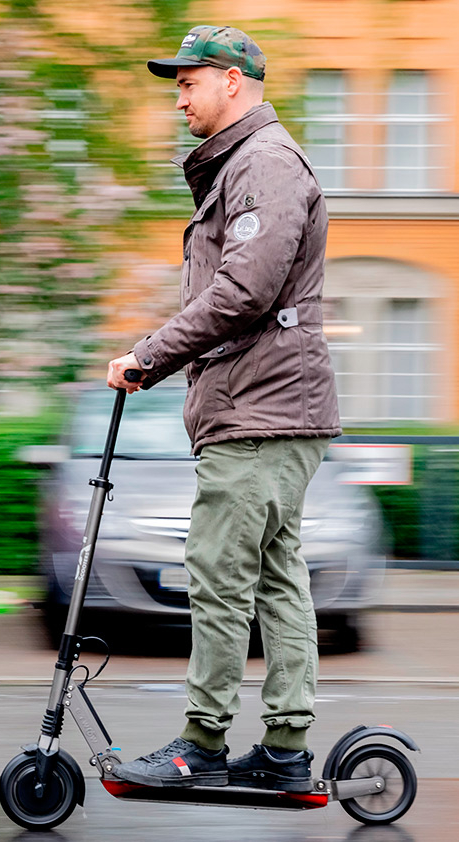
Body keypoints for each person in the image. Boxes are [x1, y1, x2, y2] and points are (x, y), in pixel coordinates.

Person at [106, 25, 342, 793]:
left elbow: (244, 291)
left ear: (232, 83)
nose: (178, 97)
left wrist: (150, 354)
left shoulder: (264, 166)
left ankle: (201, 745)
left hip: (261, 409)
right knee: (275, 576)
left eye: (187, 82)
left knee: (216, 570)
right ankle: (283, 749)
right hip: (264, 407)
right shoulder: (244, 166)